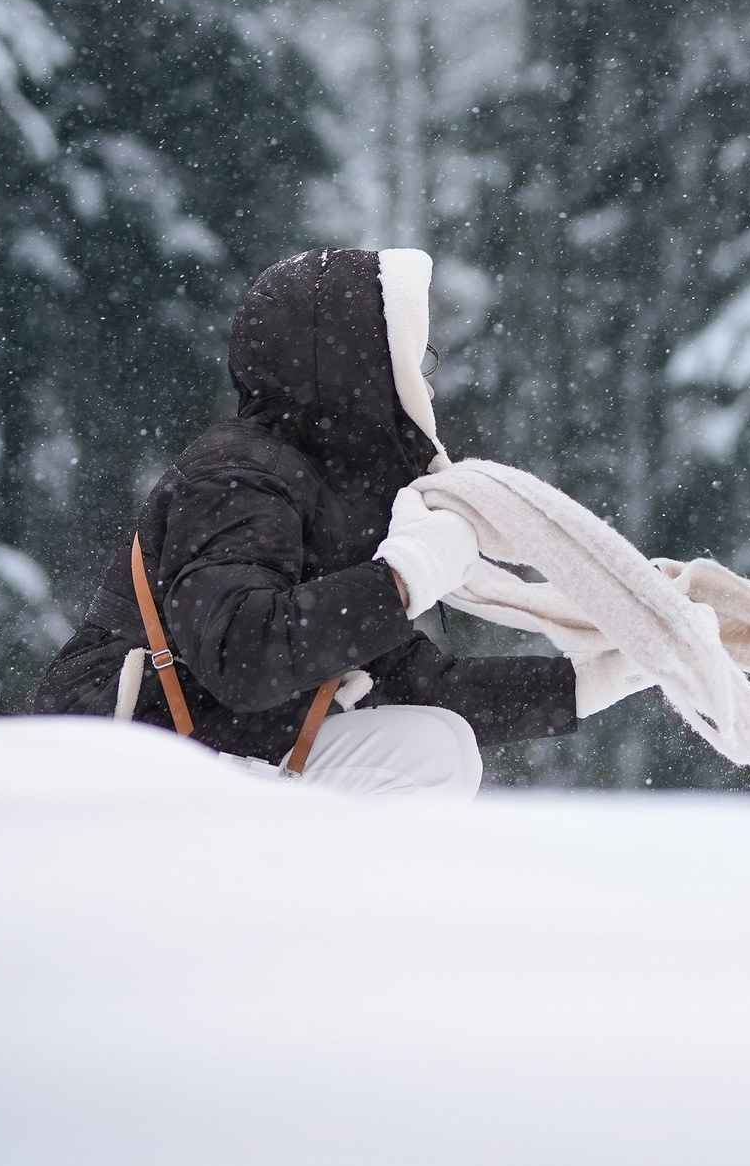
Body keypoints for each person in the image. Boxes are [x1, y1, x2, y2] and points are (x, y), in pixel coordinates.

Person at [30, 247, 582, 797]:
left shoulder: (319, 486)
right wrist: (403, 577)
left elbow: (413, 684)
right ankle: (301, 884)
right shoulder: (242, 475)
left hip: (192, 750)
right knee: (426, 754)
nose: (429, 387)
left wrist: (596, 675)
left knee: (439, 739)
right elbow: (242, 654)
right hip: (114, 772)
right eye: (417, 359)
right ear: (360, 367)